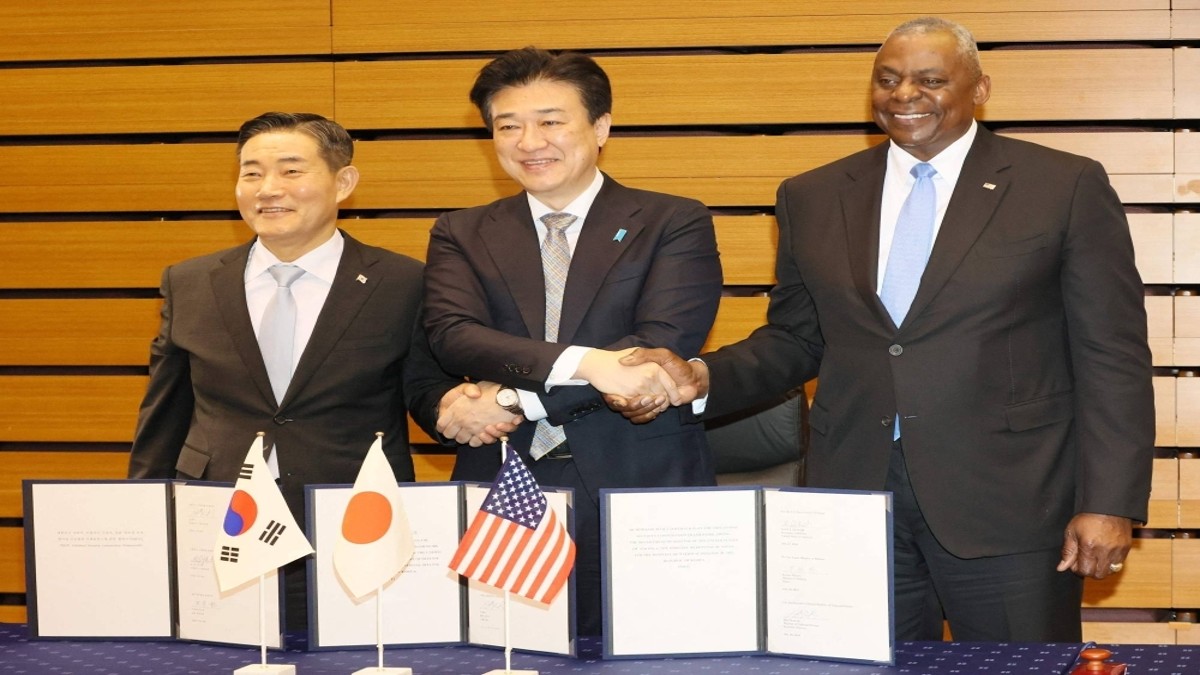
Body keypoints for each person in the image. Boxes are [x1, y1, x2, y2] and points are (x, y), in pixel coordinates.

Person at [610, 17, 1154, 642]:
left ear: (979, 88)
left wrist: (1109, 501)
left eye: (930, 80)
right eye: (888, 79)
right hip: (854, 500)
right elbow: (797, 337)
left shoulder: (1063, 185)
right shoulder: (811, 195)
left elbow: (1111, 355)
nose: (904, 95)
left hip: (1012, 501)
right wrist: (701, 375)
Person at [127, 111, 493, 628]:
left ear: (343, 182)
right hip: (220, 524)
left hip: (353, 522)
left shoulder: (403, 282)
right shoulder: (190, 282)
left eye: (291, 170)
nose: (267, 189)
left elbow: (423, 390)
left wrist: (463, 412)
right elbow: (163, 417)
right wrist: (144, 521)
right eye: (251, 173)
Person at [423, 47, 723, 636]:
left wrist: (516, 401)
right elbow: (455, 336)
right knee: (503, 656)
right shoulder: (460, 230)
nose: (529, 140)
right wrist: (588, 362)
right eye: (508, 126)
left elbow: (657, 349)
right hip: (502, 484)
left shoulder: (672, 221)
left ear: (602, 127)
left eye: (551, 120)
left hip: (638, 478)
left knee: (654, 652)